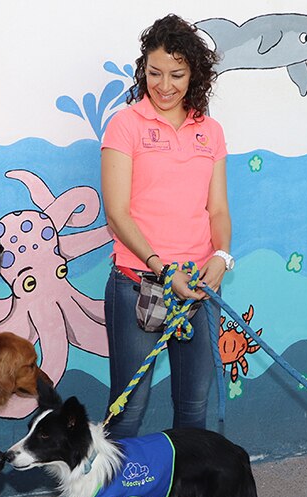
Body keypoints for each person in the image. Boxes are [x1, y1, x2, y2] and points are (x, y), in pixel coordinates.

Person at [100, 14, 233, 440]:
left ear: (195, 75)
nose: (164, 85)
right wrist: (162, 269)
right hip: (139, 283)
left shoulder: (211, 132)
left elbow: (218, 210)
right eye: (154, 72)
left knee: (194, 407)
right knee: (128, 410)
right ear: (143, 69)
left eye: (177, 74)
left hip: (199, 286)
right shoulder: (125, 125)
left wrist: (221, 256)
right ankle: (118, 488)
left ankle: (184, 488)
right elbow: (117, 213)